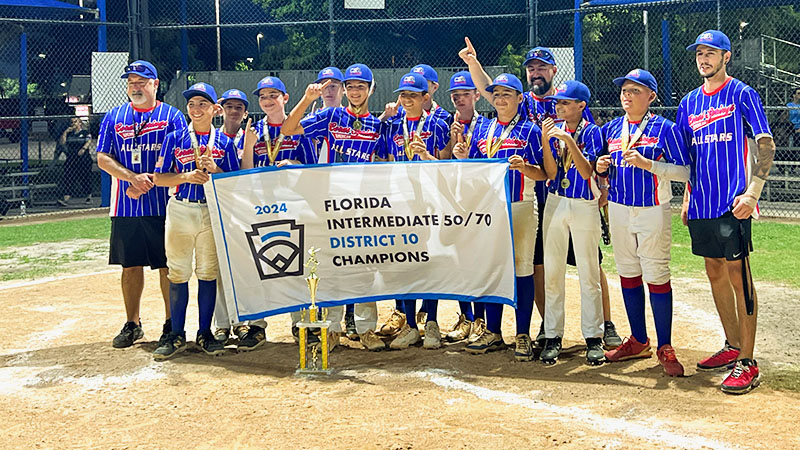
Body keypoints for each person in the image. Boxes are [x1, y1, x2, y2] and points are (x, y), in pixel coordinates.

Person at [458, 38, 621, 349]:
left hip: (574, 192)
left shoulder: (567, 98)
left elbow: (591, 151)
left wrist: (601, 186)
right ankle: (549, 326)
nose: (536, 72)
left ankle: (606, 323)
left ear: (553, 70)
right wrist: (472, 63)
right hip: (538, 194)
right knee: (539, 264)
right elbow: (492, 90)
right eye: (531, 68)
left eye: (542, 67)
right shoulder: (526, 103)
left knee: (590, 260)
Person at [677, 30, 775, 394]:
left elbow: (765, 142)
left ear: (726, 57)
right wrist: (687, 197)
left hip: (733, 201)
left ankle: (748, 362)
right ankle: (733, 346)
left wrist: (753, 192)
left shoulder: (742, 94)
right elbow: (690, 157)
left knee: (739, 275)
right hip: (701, 201)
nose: (704, 59)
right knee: (713, 270)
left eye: (711, 53)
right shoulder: (688, 102)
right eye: (700, 53)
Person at [281, 64, 387, 351]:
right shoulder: (331, 116)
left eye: (360, 86)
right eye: (350, 86)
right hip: (330, 203)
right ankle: (332, 329)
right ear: (344, 89)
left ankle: (366, 329)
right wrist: (306, 99)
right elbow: (289, 129)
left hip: (363, 206)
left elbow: (385, 164)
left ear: (371, 89)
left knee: (364, 268)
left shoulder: (377, 126)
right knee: (332, 267)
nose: (354, 91)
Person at [597, 69, 691, 376]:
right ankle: (638, 339)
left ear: (650, 96)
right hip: (619, 208)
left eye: (635, 91)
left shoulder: (666, 128)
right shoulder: (610, 128)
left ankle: (665, 345)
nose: (627, 95)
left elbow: (685, 171)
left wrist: (649, 164)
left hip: (652, 209)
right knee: (627, 273)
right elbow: (602, 168)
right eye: (624, 90)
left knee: (656, 275)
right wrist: (601, 167)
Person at [452, 73, 552, 359]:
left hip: (521, 204)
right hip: (490, 208)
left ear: (521, 98)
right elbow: (474, 171)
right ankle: (494, 332)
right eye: (496, 94)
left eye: (507, 93)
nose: (500, 98)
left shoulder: (531, 131)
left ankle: (522, 334)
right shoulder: (483, 130)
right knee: (492, 267)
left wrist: (524, 168)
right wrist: (462, 157)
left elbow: (544, 173)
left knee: (522, 268)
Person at [95, 60, 186, 349]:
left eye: (142, 81)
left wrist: (154, 180)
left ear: (155, 84)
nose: (136, 86)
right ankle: (132, 323)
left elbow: (182, 158)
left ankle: (172, 323)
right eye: (131, 82)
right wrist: (131, 178)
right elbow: (103, 157)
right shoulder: (114, 116)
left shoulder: (172, 116)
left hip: (163, 204)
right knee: (130, 265)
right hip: (126, 205)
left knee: (166, 266)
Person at [152, 82, 240, 360]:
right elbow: (159, 178)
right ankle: (176, 333)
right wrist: (186, 177)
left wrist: (217, 170)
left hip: (211, 210)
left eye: (203, 104)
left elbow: (236, 184)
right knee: (177, 272)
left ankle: (205, 332)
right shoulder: (174, 138)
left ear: (215, 109)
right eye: (191, 104)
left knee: (207, 272)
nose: (196, 109)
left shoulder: (224, 142)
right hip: (181, 208)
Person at [373, 72, 450, 350]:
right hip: (400, 202)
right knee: (403, 262)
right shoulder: (393, 126)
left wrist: (427, 156)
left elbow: (447, 166)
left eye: (413, 95)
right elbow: (383, 159)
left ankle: (432, 323)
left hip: (429, 202)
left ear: (425, 97)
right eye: (403, 95)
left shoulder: (438, 124)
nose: (406, 100)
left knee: (428, 262)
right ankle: (411, 327)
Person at [537, 81, 605, 365]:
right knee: (553, 271)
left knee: (589, 272)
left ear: (581, 105)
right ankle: (553, 335)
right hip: (557, 199)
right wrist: (545, 140)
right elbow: (552, 172)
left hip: (584, 203)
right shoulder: (553, 132)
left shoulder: (592, 131)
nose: (560, 107)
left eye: (566, 102)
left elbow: (587, 170)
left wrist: (569, 141)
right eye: (558, 103)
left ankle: (593, 336)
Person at [208, 88, 272, 352]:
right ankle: (223, 324)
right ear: (220, 109)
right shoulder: (211, 138)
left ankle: (253, 323)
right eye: (229, 106)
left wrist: (247, 143)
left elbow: (246, 175)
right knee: (220, 269)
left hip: (246, 209)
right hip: (217, 209)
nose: (233, 111)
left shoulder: (255, 137)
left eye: (239, 107)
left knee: (250, 267)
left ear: (246, 112)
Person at [442, 71, 490, 343]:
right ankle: (465, 317)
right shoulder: (449, 123)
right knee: (460, 262)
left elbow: (486, 162)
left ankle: (481, 319)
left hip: (479, 200)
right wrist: (453, 140)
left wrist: (467, 149)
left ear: (476, 95)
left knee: (480, 261)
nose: (460, 100)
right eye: (455, 96)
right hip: (454, 200)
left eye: (465, 94)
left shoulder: (486, 125)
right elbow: (444, 160)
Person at [57, 117, 94, 207]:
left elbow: (89, 140)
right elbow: (62, 143)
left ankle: (89, 195)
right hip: (71, 158)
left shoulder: (85, 133)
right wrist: (65, 132)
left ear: (80, 123)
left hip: (83, 159)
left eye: (75, 122)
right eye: (72, 122)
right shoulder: (70, 134)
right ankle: (66, 198)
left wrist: (83, 148)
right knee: (69, 177)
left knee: (84, 177)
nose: (73, 123)